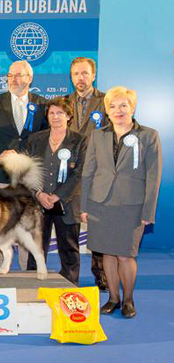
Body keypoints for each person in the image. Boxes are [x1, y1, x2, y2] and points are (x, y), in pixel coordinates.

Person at [80, 86, 162, 318]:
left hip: (131, 206)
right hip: (100, 204)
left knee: (126, 255)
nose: (118, 110)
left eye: (124, 105)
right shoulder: (98, 135)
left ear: (132, 107)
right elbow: (88, 172)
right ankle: (113, 298)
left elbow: (154, 176)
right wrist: (84, 206)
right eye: (113, 106)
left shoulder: (149, 135)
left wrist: (148, 211)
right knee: (107, 253)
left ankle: (128, 300)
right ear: (107, 110)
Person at [25, 98, 87, 285]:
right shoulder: (35, 140)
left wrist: (58, 196)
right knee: (36, 248)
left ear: (68, 116)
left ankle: (70, 286)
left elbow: (80, 172)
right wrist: (39, 194)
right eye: (51, 113)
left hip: (67, 203)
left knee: (69, 249)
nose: (55, 117)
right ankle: (33, 286)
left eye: (60, 113)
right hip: (38, 203)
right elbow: (27, 171)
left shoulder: (80, 140)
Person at [65, 57, 110, 290]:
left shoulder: (106, 101)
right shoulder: (63, 102)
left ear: (93, 75)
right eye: (75, 74)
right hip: (72, 173)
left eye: (84, 73)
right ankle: (69, 274)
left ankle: (101, 274)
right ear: (71, 77)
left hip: (99, 174)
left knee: (99, 228)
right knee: (71, 226)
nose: (80, 78)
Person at [0, 60, 48, 184]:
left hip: (30, 179)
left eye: (18, 75)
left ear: (30, 78)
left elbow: (46, 142)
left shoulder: (42, 104)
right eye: (10, 75)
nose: (12, 79)